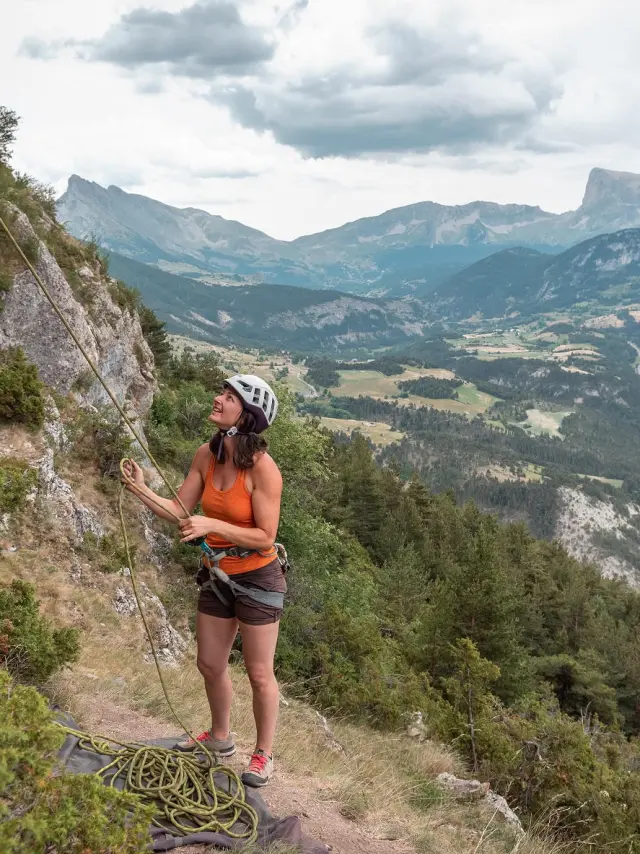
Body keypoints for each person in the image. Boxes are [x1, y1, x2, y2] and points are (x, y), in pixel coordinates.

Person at [122, 374, 285, 787]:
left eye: (229, 397)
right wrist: (141, 489)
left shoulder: (263, 470)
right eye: (222, 393)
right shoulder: (206, 456)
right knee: (209, 663)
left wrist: (211, 524)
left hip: (258, 577)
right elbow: (180, 510)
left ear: (246, 416)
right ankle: (220, 738)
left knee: (259, 673)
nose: (218, 399)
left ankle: (263, 755)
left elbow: (265, 537)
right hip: (217, 574)